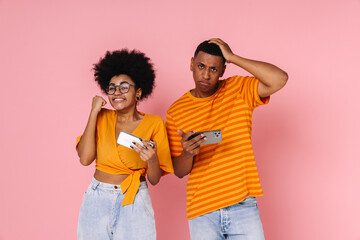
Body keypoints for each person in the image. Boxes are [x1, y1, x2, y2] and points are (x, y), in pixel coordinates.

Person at [166, 38, 288, 239]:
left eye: (214, 69)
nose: (205, 74)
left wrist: (233, 57)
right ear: (191, 64)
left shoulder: (239, 89)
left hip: (243, 205)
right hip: (202, 208)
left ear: (223, 70)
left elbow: (279, 79)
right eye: (201, 66)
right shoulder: (176, 111)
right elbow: (179, 171)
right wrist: (187, 153)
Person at [76, 49, 173, 240]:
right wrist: (94, 111)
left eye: (124, 87)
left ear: (138, 92)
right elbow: (85, 158)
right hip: (97, 198)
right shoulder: (101, 117)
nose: (116, 93)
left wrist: (152, 159)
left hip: (134, 198)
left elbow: (154, 179)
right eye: (111, 88)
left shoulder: (154, 123)